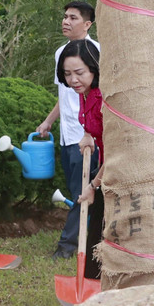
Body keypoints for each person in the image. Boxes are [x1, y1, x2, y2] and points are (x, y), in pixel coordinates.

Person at [36, 1, 100, 260]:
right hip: (68, 133)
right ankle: (88, 239)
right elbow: (64, 95)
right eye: (65, 17)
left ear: (87, 24)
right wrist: (49, 121)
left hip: (89, 136)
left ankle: (67, 246)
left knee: (83, 191)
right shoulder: (61, 53)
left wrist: (92, 132)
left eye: (73, 18)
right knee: (78, 189)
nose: (66, 21)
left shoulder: (96, 52)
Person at [62, 40, 104, 279]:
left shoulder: (104, 97)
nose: (73, 80)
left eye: (79, 73)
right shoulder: (84, 92)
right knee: (96, 233)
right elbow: (89, 120)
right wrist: (88, 134)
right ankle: (91, 283)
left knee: (102, 233)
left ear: (94, 69)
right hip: (105, 165)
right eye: (68, 74)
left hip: (117, 168)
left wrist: (93, 186)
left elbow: (117, 151)